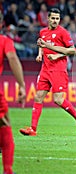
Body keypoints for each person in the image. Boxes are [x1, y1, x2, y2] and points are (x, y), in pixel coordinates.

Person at [19, 8, 76, 136]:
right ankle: (33, 129)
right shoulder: (43, 31)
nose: (55, 21)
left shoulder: (63, 33)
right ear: (48, 19)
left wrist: (56, 56)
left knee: (58, 100)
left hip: (58, 69)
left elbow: (72, 50)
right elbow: (41, 44)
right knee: (38, 97)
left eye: (57, 18)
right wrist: (40, 54)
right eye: (53, 18)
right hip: (45, 68)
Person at [0, 12, 26, 174]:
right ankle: (8, 170)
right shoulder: (4, 41)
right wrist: (22, 85)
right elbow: (13, 58)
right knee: (5, 123)